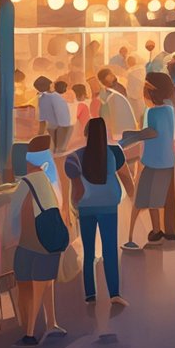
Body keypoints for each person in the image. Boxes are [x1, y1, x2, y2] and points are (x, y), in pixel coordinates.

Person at [65, 117, 133, 305]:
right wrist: (133, 198)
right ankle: (114, 294)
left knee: (88, 251)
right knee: (110, 249)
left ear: (86, 134)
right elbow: (127, 178)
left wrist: (74, 208)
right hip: (109, 206)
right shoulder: (115, 152)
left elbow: (76, 190)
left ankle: (90, 295)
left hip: (86, 207)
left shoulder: (74, 157)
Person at [8, 136, 66, 346]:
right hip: (48, 242)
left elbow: (13, 215)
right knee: (45, 284)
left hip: (28, 244)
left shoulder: (25, 183)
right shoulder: (50, 181)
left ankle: (29, 333)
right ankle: (51, 324)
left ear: (29, 160)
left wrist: (9, 238)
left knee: (27, 287)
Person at [124, 72, 175, 250]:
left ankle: (155, 232)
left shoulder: (153, 112)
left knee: (149, 198)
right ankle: (154, 231)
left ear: (152, 92)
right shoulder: (169, 109)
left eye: (145, 89)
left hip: (156, 161)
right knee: (151, 198)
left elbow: (153, 132)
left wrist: (131, 137)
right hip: (163, 160)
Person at [96, 69, 137, 142]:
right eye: (108, 77)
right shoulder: (104, 94)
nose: (111, 77)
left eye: (111, 75)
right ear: (103, 81)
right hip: (115, 125)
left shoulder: (119, 87)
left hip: (123, 121)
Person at [35, 76, 73, 154]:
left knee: (53, 151)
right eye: (52, 84)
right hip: (62, 127)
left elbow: (42, 119)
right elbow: (62, 115)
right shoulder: (55, 97)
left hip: (51, 128)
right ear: (49, 85)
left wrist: (40, 135)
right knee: (60, 152)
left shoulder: (41, 98)